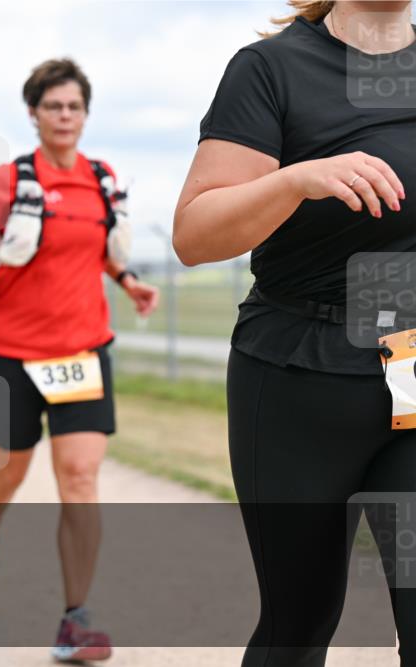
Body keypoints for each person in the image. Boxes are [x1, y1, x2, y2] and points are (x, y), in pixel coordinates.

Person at [173, 2, 415, 665]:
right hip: (295, 377)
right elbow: (194, 234)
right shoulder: (272, 70)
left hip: (412, 378)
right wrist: (295, 181)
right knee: (300, 623)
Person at [0, 59, 159, 663]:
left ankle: (75, 621)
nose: (64, 116)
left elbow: (97, 250)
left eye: (74, 107)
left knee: (80, 478)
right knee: (10, 472)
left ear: (85, 115)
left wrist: (129, 281)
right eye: (53, 106)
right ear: (34, 114)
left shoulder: (102, 178)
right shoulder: (10, 181)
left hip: (82, 350)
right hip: (9, 353)